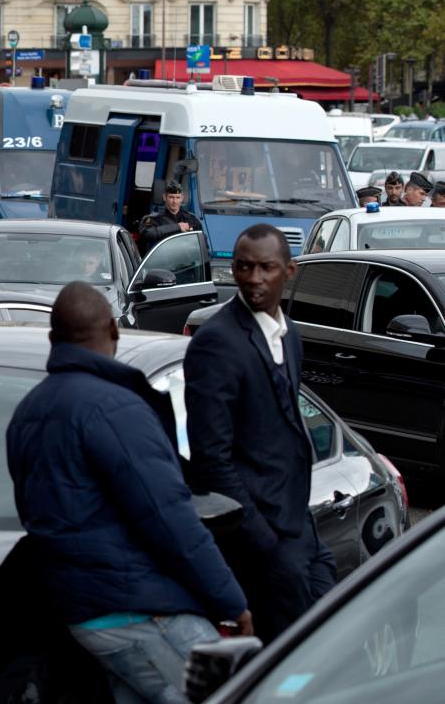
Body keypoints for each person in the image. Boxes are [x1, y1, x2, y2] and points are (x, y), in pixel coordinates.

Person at [8, 282, 250, 704]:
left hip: (80, 611)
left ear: (53, 340)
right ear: (114, 331)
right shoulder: (116, 408)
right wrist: (231, 601)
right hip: (139, 607)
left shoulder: (28, 412)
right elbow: (170, 518)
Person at [186, 223, 336, 644]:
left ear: (289, 271)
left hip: (299, 526)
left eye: (266, 268)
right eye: (243, 267)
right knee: (287, 661)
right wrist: (263, 540)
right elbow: (211, 459)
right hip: (264, 540)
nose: (254, 279)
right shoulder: (216, 342)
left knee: (327, 642)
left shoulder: (292, 337)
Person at [137, 181, 202, 249]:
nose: (175, 201)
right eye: (171, 197)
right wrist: (177, 227)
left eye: (177, 197)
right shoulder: (154, 219)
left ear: (182, 198)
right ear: (164, 197)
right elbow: (147, 234)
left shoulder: (191, 219)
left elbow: (202, 241)